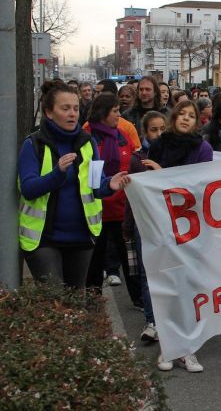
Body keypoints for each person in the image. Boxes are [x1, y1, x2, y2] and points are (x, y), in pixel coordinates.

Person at [18, 81, 130, 287]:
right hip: (44, 239)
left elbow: (96, 185)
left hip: (81, 237)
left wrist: (109, 185)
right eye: (65, 108)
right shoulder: (33, 144)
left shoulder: (88, 142)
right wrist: (57, 173)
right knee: (56, 303)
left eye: (76, 108)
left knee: (76, 302)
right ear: (49, 112)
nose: (72, 114)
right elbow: (28, 189)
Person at [147, 100, 212, 374]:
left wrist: (165, 178)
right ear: (173, 118)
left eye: (191, 115)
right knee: (167, 286)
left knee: (188, 288)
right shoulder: (159, 146)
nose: (186, 119)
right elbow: (147, 184)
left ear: (197, 121)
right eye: (182, 114)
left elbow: (199, 187)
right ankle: (168, 346)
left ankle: (188, 349)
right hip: (161, 225)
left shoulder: (203, 148)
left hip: (191, 226)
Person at [83, 94, 140, 307]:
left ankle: (138, 298)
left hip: (121, 207)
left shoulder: (123, 134)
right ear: (103, 112)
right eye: (115, 111)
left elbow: (134, 161)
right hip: (96, 208)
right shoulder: (85, 136)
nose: (118, 114)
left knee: (130, 259)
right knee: (95, 260)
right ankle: (93, 299)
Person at [123, 111, 166, 344]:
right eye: (153, 130)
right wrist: (128, 225)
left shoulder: (172, 154)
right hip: (144, 222)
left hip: (168, 224)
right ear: (144, 133)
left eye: (162, 129)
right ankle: (152, 321)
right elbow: (132, 196)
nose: (159, 134)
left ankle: (169, 319)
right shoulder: (137, 159)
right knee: (148, 272)